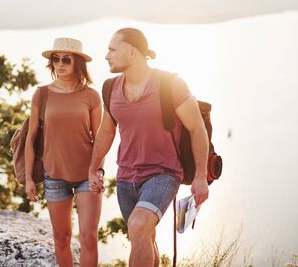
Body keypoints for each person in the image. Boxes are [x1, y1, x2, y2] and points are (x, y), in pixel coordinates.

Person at [88, 28, 209, 266]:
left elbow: (197, 129)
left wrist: (201, 177)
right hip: (125, 178)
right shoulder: (111, 88)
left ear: (132, 51)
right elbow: (106, 131)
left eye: (112, 49)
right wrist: (94, 168)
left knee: (138, 225)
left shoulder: (171, 84)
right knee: (143, 236)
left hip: (163, 174)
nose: (106, 56)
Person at [25, 37, 103, 267]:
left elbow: (99, 139)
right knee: (61, 239)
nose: (59, 64)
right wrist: (29, 178)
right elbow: (31, 139)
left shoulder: (91, 96)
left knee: (89, 238)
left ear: (77, 63)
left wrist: (96, 170)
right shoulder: (42, 94)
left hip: (87, 174)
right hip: (54, 175)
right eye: (55, 59)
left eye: (66, 60)